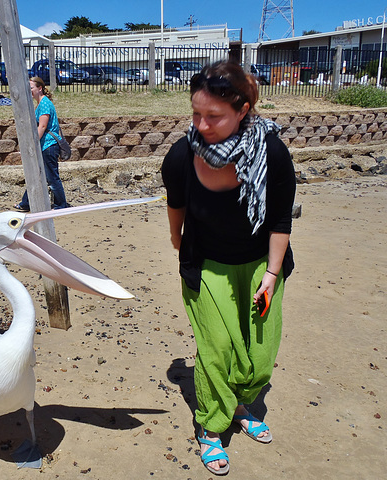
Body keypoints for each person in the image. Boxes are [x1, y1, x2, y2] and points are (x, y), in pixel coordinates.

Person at [161, 60, 295, 476]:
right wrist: (181, 249)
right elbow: (177, 210)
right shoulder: (182, 155)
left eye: (213, 116)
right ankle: (211, 427)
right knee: (217, 350)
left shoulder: (270, 151)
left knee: (259, 355)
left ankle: (240, 401)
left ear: (243, 110)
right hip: (207, 265)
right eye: (195, 113)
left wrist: (271, 275)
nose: (201, 125)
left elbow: (279, 219)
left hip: (260, 265)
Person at [14, 76, 69, 212]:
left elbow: (42, 126)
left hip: (48, 146)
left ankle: (61, 205)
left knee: (51, 177)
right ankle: (26, 203)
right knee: (38, 175)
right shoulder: (41, 103)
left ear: (39, 88)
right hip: (44, 145)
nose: (29, 91)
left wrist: (32, 145)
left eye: (31, 88)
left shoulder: (44, 104)